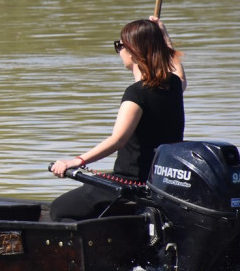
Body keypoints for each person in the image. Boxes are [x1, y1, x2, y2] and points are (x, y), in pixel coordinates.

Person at [49, 16, 186, 221]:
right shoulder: (173, 86)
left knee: (58, 209)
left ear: (133, 51)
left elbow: (118, 140)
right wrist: (164, 37)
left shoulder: (136, 94)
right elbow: (179, 73)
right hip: (160, 182)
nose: (119, 51)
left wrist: (75, 161)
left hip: (131, 183)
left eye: (119, 45)